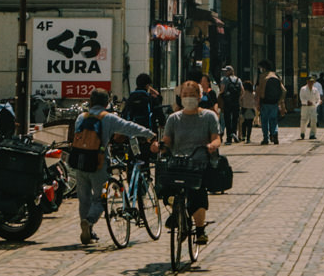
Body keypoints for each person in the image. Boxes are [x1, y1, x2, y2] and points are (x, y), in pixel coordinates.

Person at [71, 89, 158, 248]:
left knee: (84, 199)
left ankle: (88, 231)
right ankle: (89, 222)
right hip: (98, 163)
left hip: (80, 162)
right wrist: (149, 134)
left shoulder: (80, 117)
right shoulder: (108, 118)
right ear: (107, 103)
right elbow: (129, 127)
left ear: (90, 101)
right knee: (100, 198)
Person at [159, 78, 221, 245]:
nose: (188, 98)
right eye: (185, 95)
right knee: (166, 188)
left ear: (199, 97)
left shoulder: (208, 116)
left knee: (197, 194)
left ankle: (200, 229)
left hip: (198, 163)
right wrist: (160, 146)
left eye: (192, 95)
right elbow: (167, 140)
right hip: (177, 162)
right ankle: (178, 213)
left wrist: (211, 146)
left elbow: (216, 138)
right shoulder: (174, 119)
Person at [256, 62, 285, 145]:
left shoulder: (262, 77)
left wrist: (257, 103)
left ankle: (266, 138)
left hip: (264, 102)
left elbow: (258, 90)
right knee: (274, 120)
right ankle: (275, 133)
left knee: (264, 121)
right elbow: (283, 90)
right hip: (274, 102)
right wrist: (281, 102)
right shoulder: (276, 76)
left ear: (264, 68)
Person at [218, 65, 242, 143]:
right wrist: (238, 98)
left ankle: (229, 138)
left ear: (230, 71)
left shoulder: (224, 79)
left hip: (227, 103)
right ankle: (234, 133)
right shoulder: (238, 80)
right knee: (235, 119)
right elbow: (242, 91)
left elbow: (222, 90)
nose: (225, 72)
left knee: (227, 120)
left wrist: (219, 97)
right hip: (236, 103)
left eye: (226, 71)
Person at [298, 72, 321, 140]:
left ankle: (312, 134)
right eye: (309, 81)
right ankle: (302, 133)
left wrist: (318, 103)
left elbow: (318, 99)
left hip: (313, 107)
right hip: (305, 107)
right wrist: (306, 102)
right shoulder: (303, 89)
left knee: (314, 121)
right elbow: (301, 98)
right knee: (304, 121)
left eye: (312, 82)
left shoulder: (315, 90)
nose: (311, 83)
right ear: (307, 81)